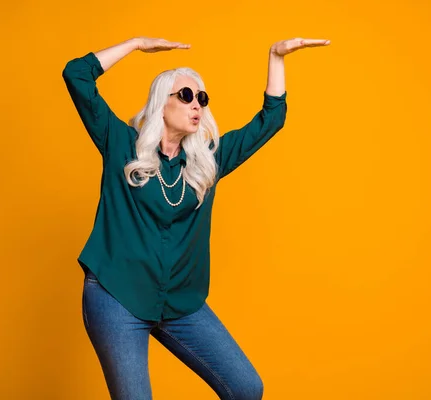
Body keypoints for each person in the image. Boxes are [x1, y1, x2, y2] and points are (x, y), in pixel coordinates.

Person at [62, 36, 330, 400]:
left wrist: (276, 57)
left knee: (246, 388)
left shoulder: (207, 162)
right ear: (162, 104)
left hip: (178, 302)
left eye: (202, 99)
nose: (197, 105)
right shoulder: (120, 144)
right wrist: (137, 44)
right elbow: (77, 74)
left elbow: (271, 120)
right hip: (116, 299)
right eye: (186, 96)